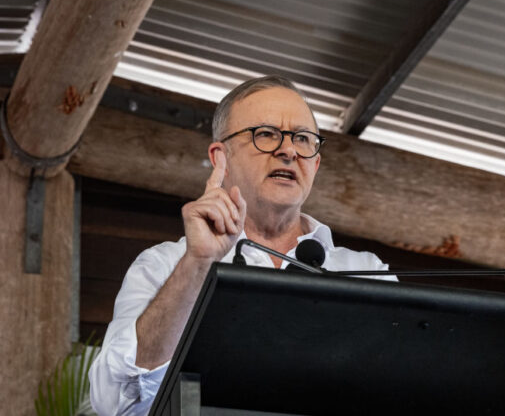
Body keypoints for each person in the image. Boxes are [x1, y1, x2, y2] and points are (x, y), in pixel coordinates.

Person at [89, 76, 393, 415]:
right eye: (265, 134)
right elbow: (114, 400)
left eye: (303, 139)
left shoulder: (366, 273)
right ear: (222, 157)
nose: (288, 150)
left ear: (315, 163)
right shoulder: (164, 265)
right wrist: (198, 263)